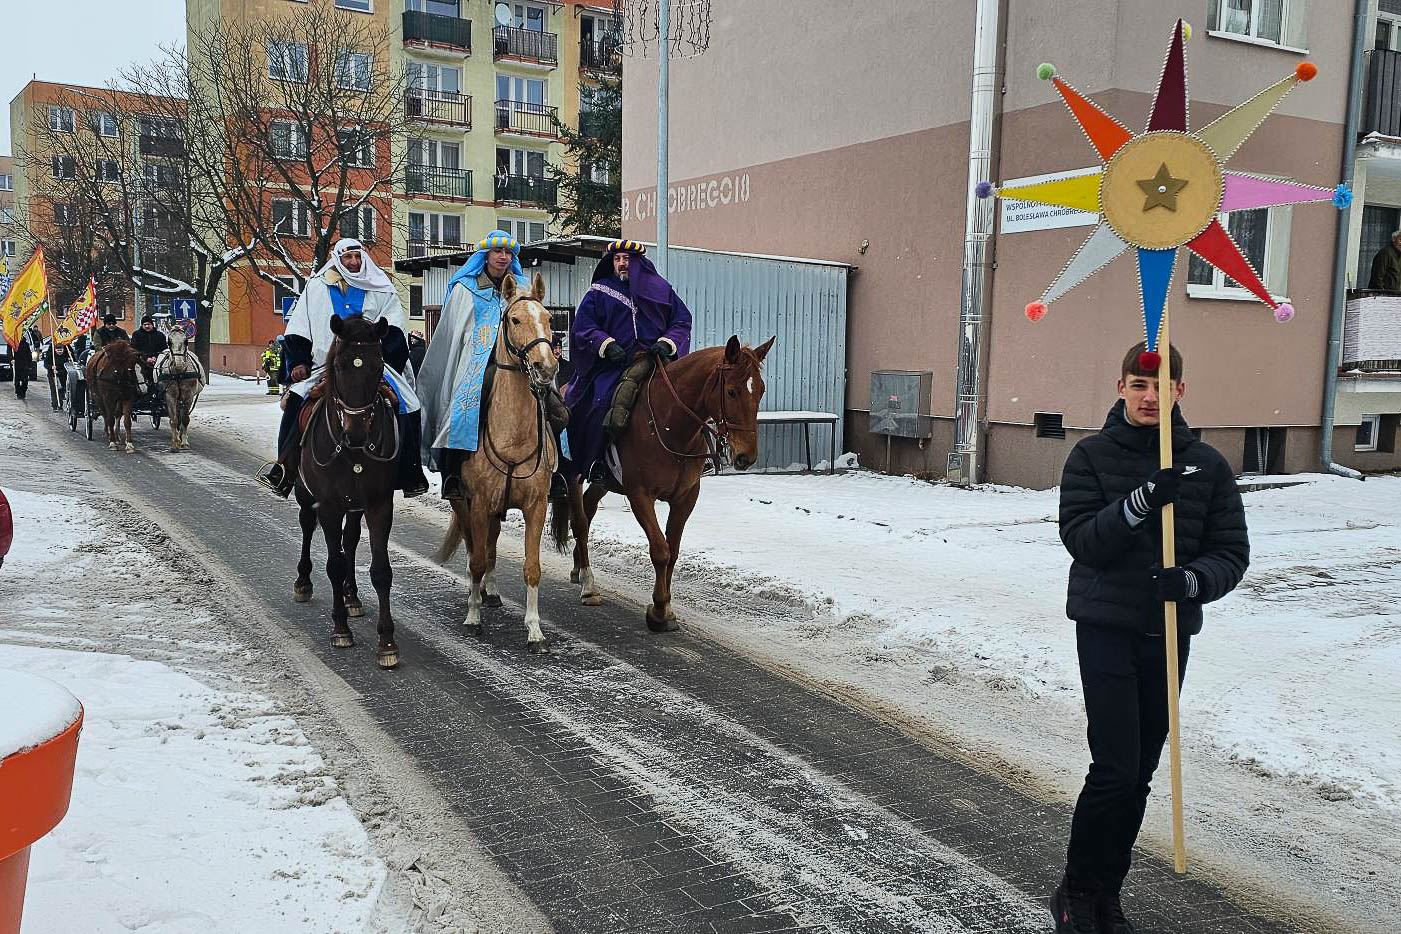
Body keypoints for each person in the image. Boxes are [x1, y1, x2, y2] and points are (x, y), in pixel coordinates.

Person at [1051, 343, 1249, 934]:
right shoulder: (1090, 457)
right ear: (1121, 387)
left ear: (1180, 392)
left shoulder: (1206, 466)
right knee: (1114, 768)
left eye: (1161, 386)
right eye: (1139, 385)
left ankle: (1107, 892)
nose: (1149, 396)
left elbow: (1231, 554)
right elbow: (1083, 541)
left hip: (1166, 635)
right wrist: (1138, 504)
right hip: (1106, 628)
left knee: (1139, 772)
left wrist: (1192, 580)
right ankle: (1077, 891)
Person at [255, 238, 428, 498]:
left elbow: (393, 327)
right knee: (295, 403)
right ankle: (284, 470)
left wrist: (383, 364)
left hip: (372, 366)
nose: (354, 263)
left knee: (410, 405)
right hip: (325, 367)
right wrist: (299, 361)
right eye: (348, 258)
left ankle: (410, 472)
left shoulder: (382, 287)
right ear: (338, 259)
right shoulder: (317, 286)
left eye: (358, 257)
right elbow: (300, 326)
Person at [417, 230, 570, 501]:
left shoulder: (524, 289)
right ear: (485, 255)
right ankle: (453, 474)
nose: (502, 257)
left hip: (522, 365)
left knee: (553, 406)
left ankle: (556, 472)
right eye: (497, 251)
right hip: (479, 364)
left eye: (507, 253)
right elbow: (455, 334)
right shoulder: (467, 289)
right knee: (463, 407)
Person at [564, 239, 692, 485]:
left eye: (627, 259)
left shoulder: (662, 289)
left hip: (656, 361)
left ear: (639, 261)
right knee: (599, 403)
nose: (622, 264)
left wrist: (667, 342)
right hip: (614, 364)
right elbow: (584, 326)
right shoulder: (599, 291)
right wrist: (606, 344)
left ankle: (697, 458)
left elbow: (682, 320)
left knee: (687, 399)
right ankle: (595, 462)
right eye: (617, 259)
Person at [130, 313, 168, 403]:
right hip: (141, 361)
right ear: (142, 325)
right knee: (137, 372)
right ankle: (142, 392)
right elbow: (134, 349)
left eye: (148, 324)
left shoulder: (160, 335)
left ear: (152, 324)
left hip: (158, 361)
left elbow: (164, 349)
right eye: (145, 324)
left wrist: (156, 357)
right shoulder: (137, 335)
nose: (147, 326)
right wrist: (146, 358)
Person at [46, 339, 73, 408]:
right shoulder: (51, 355)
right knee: (54, 389)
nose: (59, 352)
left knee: (61, 389)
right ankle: (55, 404)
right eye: (58, 350)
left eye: (61, 350)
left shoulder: (65, 357)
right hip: (52, 375)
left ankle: (59, 402)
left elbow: (67, 367)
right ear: (55, 350)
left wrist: (59, 372)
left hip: (62, 376)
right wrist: (51, 367)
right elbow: (46, 364)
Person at [11, 331, 33, 400]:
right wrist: (11, 359)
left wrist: (30, 364)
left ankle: (23, 392)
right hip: (16, 364)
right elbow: (9, 352)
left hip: (24, 364)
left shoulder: (26, 344)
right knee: (16, 380)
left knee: (25, 380)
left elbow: (29, 355)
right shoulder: (12, 343)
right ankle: (18, 393)